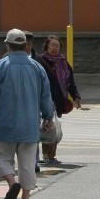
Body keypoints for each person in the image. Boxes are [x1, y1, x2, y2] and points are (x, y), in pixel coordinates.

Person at [0, 28, 54, 199]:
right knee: (28, 163)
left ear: (8, 45)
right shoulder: (37, 67)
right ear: (24, 45)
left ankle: (12, 183)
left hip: (6, 124)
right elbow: (46, 95)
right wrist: (48, 116)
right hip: (29, 125)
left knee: (1, 156)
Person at [36, 34, 82, 165]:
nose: (54, 48)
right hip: (45, 100)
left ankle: (52, 155)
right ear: (46, 46)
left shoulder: (63, 62)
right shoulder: (40, 61)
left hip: (59, 100)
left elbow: (70, 82)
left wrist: (76, 97)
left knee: (55, 127)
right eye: (52, 45)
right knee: (47, 126)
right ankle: (46, 155)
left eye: (57, 46)